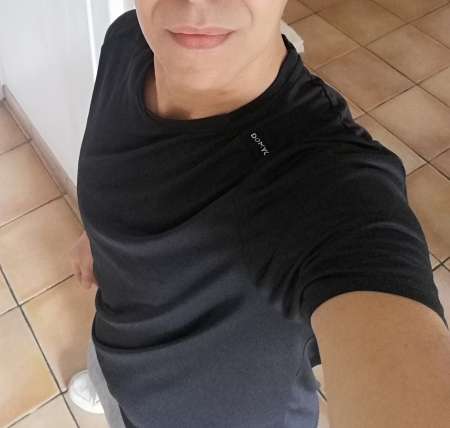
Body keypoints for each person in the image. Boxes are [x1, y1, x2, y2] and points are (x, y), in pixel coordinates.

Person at [68, 1, 450, 427]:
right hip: (114, 365)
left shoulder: (324, 178)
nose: (196, 3)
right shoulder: (127, 41)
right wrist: (101, 233)